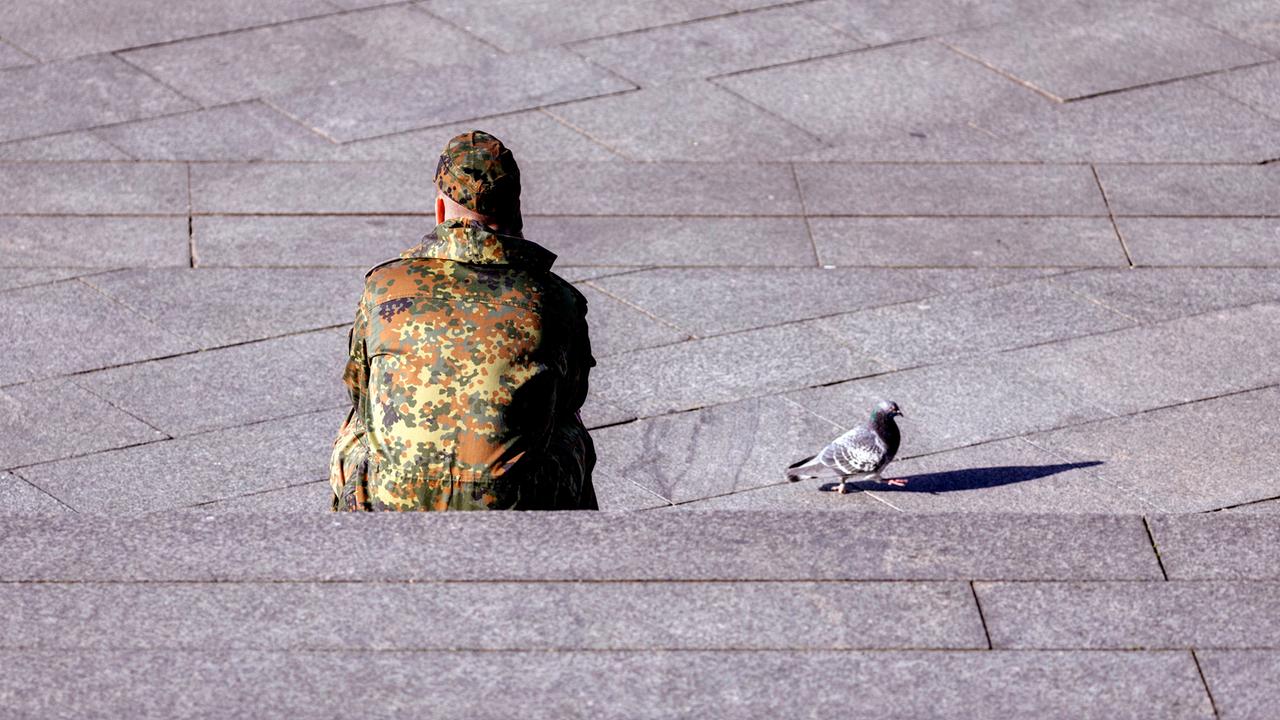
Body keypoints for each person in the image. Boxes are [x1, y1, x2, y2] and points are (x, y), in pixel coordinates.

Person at [329, 131, 597, 511]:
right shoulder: (555, 298)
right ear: (517, 209)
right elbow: (572, 394)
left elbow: (359, 388)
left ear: (441, 211)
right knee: (567, 428)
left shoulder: (385, 286)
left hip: (394, 498)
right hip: (510, 504)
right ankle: (572, 556)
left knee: (361, 424)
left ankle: (349, 549)